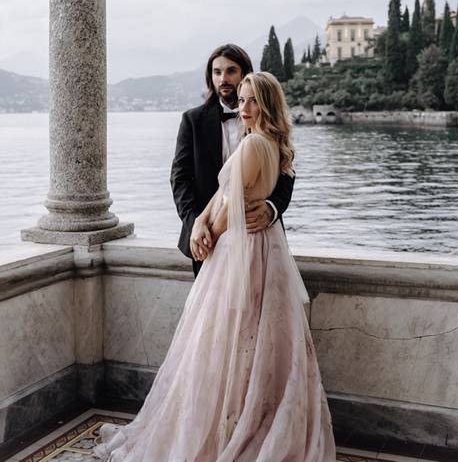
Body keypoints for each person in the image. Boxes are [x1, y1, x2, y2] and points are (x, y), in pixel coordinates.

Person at [94, 72, 335, 461]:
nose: (244, 108)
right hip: (259, 250)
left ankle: (226, 428)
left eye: (252, 100)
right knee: (247, 343)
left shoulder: (256, 142)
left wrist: (212, 235)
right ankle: (240, 418)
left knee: (223, 341)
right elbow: (219, 195)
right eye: (241, 101)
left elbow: (232, 204)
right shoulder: (269, 142)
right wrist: (200, 223)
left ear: (268, 104)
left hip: (240, 250)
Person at [170, 44, 294, 276]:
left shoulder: (266, 128)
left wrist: (272, 208)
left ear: (245, 73)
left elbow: (286, 173)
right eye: (217, 72)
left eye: (231, 71)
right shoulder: (192, 120)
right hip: (207, 240)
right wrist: (197, 224)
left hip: (257, 235)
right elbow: (180, 180)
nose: (223, 78)